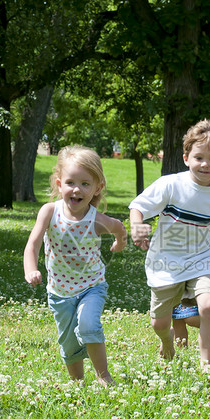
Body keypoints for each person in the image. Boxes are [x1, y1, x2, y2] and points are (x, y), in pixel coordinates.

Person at [129, 119, 210, 368]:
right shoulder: (170, 185)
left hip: (202, 259)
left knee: (209, 306)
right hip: (166, 262)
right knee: (159, 323)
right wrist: (137, 226)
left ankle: (207, 366)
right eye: (199, 157)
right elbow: (138, 205)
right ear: (186, 158)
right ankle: (167, 339)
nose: (205, 164)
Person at [23, 146, 126, 386]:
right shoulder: (49, 211)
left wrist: (120, 243)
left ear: (97, 188)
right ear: (59, 184)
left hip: (91, 286)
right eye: (70, 182)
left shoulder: (98, 220)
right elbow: (33, 244)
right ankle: (78, 383)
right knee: (68, 342)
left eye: (85, 184)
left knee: (89, 325)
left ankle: (104, 377)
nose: (76, 189)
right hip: (59, 291)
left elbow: (119, 227)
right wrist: (31, 269)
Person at [172, 255, 210, 349]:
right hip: (177, 264)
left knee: (192, 317)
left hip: (202, 266)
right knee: (177, 315)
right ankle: (180, 349)